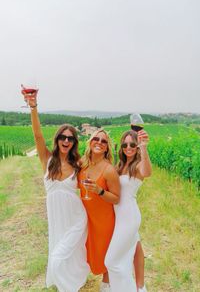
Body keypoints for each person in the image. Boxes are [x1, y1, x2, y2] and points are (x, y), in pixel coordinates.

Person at [21, 89, 89, 292]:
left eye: (70, 138)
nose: (66, 141)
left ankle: (73, 283)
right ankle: (67, 285)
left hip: (76, 217)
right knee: (61, 251)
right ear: (58, 139)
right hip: (57, 218)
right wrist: (33, 107)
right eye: (63, 137)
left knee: (68, 254)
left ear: (74, 142)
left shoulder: (78, 164)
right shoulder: (47, 159)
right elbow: (37, 134)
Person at [105, 129, 152, 292]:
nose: (128, 147)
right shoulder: (120, 165)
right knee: (135, 248)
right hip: (119, 216)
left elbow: (147, 172)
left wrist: (144, 148)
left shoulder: (138, 165)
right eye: (125, 144)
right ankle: (140, 287)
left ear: (137, 146)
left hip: (129, 216)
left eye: (133, 144)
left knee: (111, 261)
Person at [78, 129, 120, 292]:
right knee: (86, 249)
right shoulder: (82, 163)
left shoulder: (109, 170)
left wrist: (99, 190)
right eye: (96, 139)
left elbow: (116, 198)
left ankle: (106, 286)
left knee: (104, 252)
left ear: (107, 148)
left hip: (103, 219)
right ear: (90, 142)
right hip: (85, 216)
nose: (99, 142)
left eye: (104, 141)